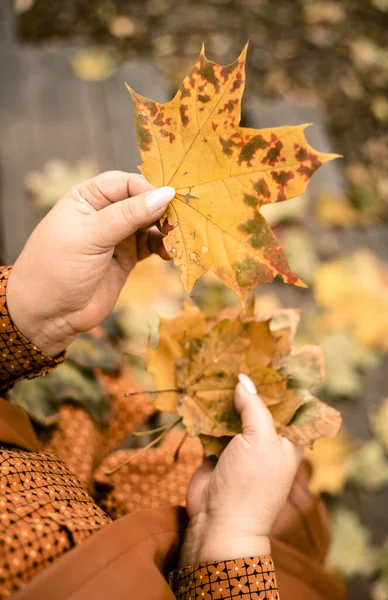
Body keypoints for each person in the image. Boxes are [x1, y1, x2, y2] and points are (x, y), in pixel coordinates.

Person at [0, 171, 345, 600]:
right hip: (184, 566)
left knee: (105, 382)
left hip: (40, 453)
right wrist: (230, 536)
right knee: (263, 484)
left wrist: (21, 317)